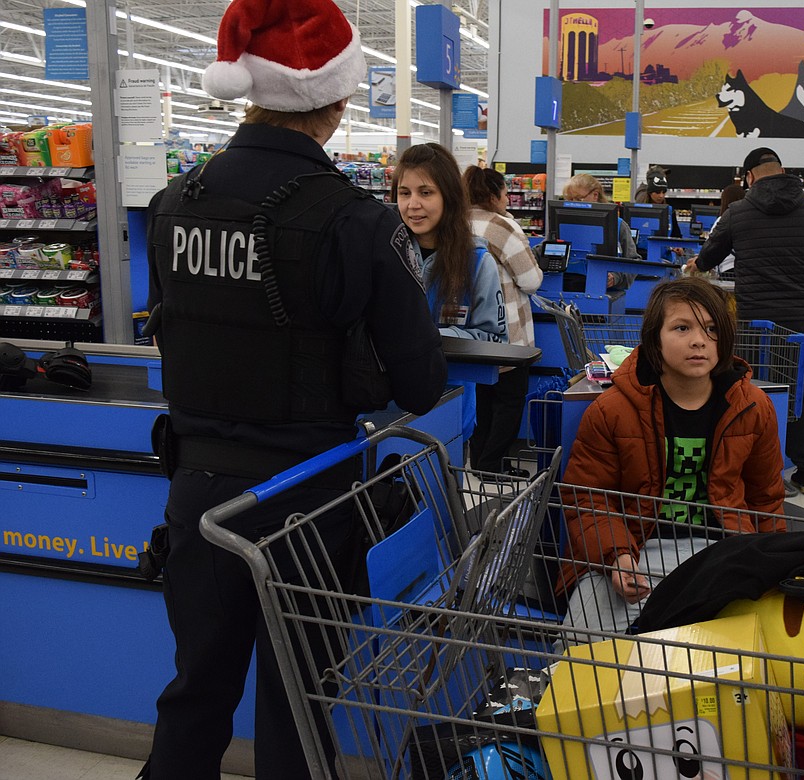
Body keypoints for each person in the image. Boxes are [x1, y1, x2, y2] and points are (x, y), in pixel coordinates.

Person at [140, 0, 448, 777]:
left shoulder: (176, 205)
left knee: (196, 690)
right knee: (297, 702)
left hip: (199, 491)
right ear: (337, 104)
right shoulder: (353, 221)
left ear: (253, 94)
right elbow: (419, 382)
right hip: (309, 497)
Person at [558, 277, 785, 635]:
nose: (699, 341)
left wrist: (776, 565)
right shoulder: (612, 410)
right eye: (682, 327)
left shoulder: (753, 408)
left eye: (712, 329)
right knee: (582, 645)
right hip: (636, 546)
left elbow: (766, 498)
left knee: (752, 644)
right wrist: (616, 557)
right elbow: (588, 497)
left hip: (721, 548)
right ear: (654, 340)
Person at [687, 147, 804, 495]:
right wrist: (803, 293)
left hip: (754, 323)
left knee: (750, 391)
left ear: (749, 177)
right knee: (802, 393)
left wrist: (699, 263)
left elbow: (709, 257)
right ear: (783, 171)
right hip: (800, 320)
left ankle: (753, 466)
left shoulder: (738, 212)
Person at [396, 143, 507, 446]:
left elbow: (496, 340)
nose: (413, 204)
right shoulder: (382, 253)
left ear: (449, 197)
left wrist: (434, 336)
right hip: (387, 412)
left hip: (449, 413)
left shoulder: (477, 262)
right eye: (404, 193)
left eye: (425, 192)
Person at [464, 164, 543, 476]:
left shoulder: (454, 222)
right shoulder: (500, 227)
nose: (508, 198)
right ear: (493, 194)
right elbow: (531, 280)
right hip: (506, 331)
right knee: (509, 402)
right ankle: (492, 465)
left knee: (481, 401)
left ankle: (480, 462)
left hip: (468, 331)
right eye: (505, 192)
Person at [562, 173, 635, 289]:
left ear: (595, 195)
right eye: (568, 200)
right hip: (562, 291)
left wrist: (616, 278)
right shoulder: (560, 224)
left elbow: (633, 263)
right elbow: (542, 251)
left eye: (578, 199)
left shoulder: (618, 225)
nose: (572, 204)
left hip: (604, 295)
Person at [706, 183, 745, 277]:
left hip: (727, 269)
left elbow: (711, 247)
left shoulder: (722, 220)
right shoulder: (748, 219)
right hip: (746, 269)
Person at [634, 165, 683, 237]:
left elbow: (676, 234)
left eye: (663, 192)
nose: (661, 196)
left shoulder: (669, 210)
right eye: (662, 177)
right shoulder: (641, 202)